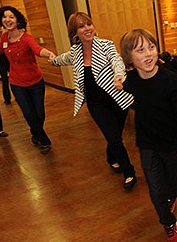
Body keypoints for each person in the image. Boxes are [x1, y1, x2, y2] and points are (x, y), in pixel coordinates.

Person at [118, 28, 177, 242]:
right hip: (147, 144)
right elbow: (123, 84)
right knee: (155, 189)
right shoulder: (131, 80)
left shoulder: (169, 79)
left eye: (151, 47)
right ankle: (168, 224)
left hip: (171, 143)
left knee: (170, 182)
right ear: (130, 58)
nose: (148, 54)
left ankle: (173, 194)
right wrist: (120, 81)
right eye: (140, 50)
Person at [50, 12, 137, 190]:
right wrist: (52, 61)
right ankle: (129, 172)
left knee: (115, 137)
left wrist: (119, 75)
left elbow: (116, 60)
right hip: (96, 104)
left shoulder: (106, 45)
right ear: (75, 33)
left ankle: (111, 157)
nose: (87, 28)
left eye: (88, 24)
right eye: (81, 26)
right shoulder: (75, 52)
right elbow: (64, 59)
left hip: (117, 99)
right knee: (114, 137)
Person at [0, 6, 56, 154]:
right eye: (5, 17)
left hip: (35, 81)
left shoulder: (26, 38)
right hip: (17, 83)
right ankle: (44, 141)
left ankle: (36, 133)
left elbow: (37, 49)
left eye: (11, 17)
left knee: (39, 114)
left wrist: (49, 53)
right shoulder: (5, 37)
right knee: (28, 113)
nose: (7, 20)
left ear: (17, 20)